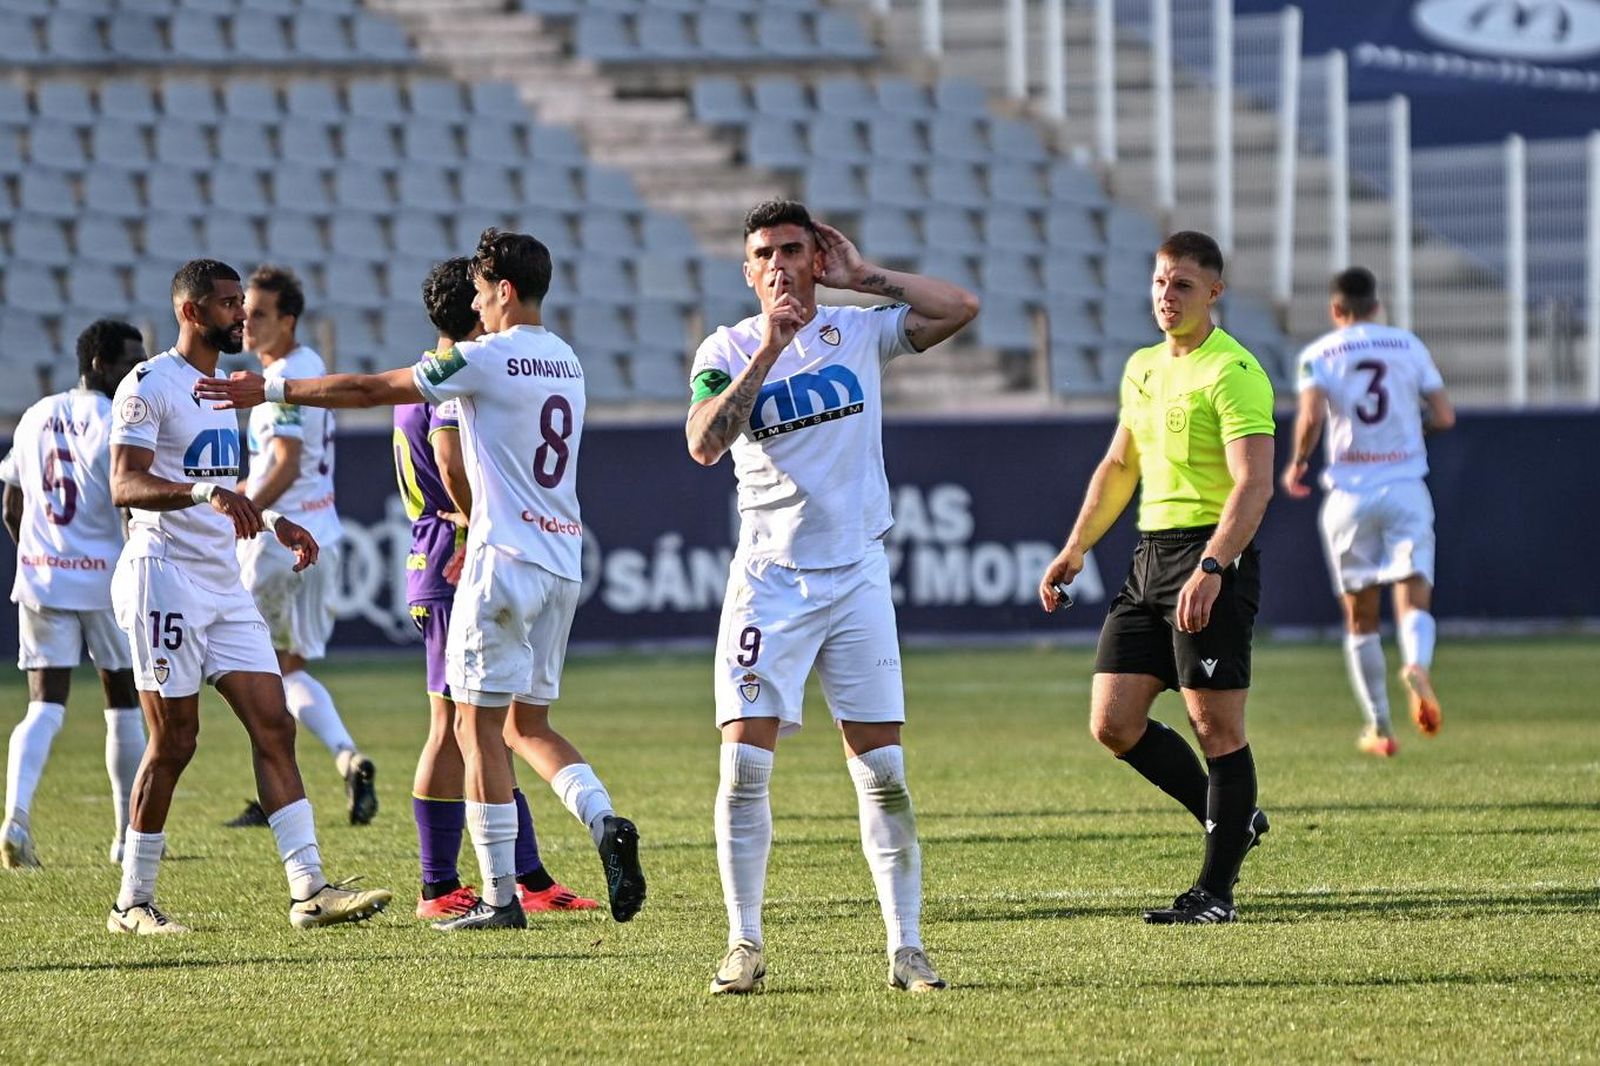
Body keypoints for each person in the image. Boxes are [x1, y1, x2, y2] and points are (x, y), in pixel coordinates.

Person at [197, 230, 645, 931]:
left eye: (482, 290)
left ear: (503, 290)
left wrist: (272, 388)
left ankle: (498, 897)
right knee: (528, 724)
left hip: (499, 561)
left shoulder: (481, 358)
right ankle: (601, 818)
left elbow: (373, 389)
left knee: (474, 728)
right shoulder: (567, 358)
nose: (477, 304)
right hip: (562, 562)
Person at [686, 200, 980, 994]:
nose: (778, 265)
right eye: (764, 255)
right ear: (748, 272)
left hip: (855, 577)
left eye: (792, 250)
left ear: (815, 259)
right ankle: (743, 944)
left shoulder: (858, 331)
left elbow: (960, 307)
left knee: (883, 772)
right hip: (769, 583)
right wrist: (771, 347)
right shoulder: (726, 348)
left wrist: (865, 275)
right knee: (744, 770)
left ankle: (907, 948)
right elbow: (704, 442)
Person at [107, 258, 391, 933]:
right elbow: (125, 483)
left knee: (274, 723)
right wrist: (207, 491)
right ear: (190, 311)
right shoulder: (148, 384)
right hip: (162, 576)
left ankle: (309, 890)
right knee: (175, 741)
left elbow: (222, 488)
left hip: (220, 580)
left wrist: (271, 519)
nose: (241, 315)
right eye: (229, 304)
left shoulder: (225, 390)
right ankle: (132, 903)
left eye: (244, 303)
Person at [1038, 230, 1275, 925]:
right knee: (1113, 723)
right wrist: (1076, 547)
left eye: (1183, 286)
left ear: (1214, 293)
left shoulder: (1233, 371)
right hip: (1149, 560)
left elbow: (1253, 484)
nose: (1167, 297)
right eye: (1160, 283)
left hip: (1209, 556)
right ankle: (1234, 818)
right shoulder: (1142, 367)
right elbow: (1120, 465)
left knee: (1215, 728)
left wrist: (1213, 566)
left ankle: (1215, 894)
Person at [399, 257, 596, 920]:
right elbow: (451, 462)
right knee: (463, 725)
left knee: (480, 724)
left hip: (441, 551)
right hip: (457, 552)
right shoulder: (461, 374)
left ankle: (520, 876)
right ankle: (442, 884)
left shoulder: (441, 372)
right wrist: (472, 527)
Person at [1281, 266, 1455, 757]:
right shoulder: (1408, 345)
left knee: (1361, 617)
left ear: (1336, 310)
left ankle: (1380, 727)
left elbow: (1311, 417)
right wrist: (1412, 430)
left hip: (1350, 495)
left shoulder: (1319, 354)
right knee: (1413, 595)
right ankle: (1416, 663)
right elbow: (1444, 415)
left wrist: (1297, 463)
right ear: (1377, 306)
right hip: (1405, 487)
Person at [227, 264, 376, 828]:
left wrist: (245, 511)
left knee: (249, 673)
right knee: (287, 672)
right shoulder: (308, 366)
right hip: (322, 539)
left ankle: (274, 792)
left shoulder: (285, 376)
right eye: (244, 311)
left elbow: (286, 464)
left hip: (278, 544)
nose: (245, 322)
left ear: (287, 321)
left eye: (259, 314)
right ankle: (346, 756)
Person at [1, 320, 148, 869]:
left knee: (43, 705)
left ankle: (15, 819)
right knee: (123, 702)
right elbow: (130, 506)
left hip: (41, 578)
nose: (136, 374)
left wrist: (37, 555)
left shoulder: (35, 415)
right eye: (129, 364)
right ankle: (126, 837)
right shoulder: (115, 420)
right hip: (104, 580)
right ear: (100, 364)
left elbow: (10, 507)